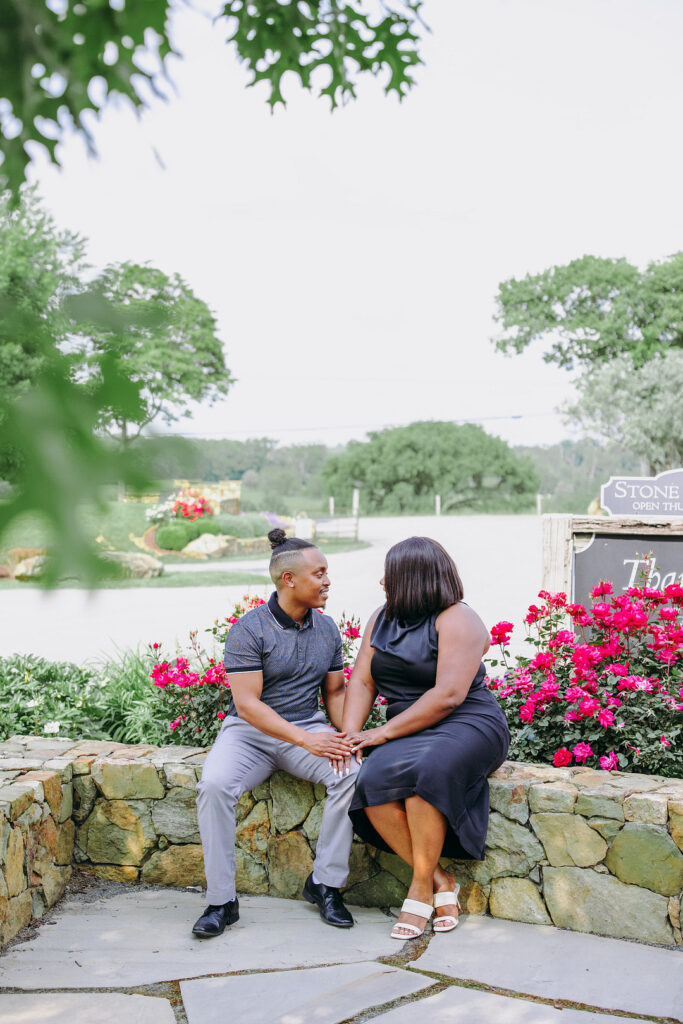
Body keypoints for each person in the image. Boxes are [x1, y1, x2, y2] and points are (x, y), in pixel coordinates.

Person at [341, 536, 510, 940]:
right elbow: (362, 681)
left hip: (467, 722)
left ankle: (418, 888)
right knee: (373, 780)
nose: (383, 581)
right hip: (408, 726)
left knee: (425, 775)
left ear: (414, 579)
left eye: (391, 575)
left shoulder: (458, 618)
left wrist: (380, 732)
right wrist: (350, 735)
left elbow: (448, 695)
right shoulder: (380, 618)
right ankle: (439, 879)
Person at [193, 528, 358, 938]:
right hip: (248, 733)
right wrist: (306, 740)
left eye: (327, 573)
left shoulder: (328, 630)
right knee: (213, 786)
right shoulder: (249, 630)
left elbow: (335, 692)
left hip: (306, 726)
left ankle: (325, 884)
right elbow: (247, 705)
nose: (327, 581)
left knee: (351, 772)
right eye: (318, 573)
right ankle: (221, 901)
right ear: (289, 580)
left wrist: (349, 736)